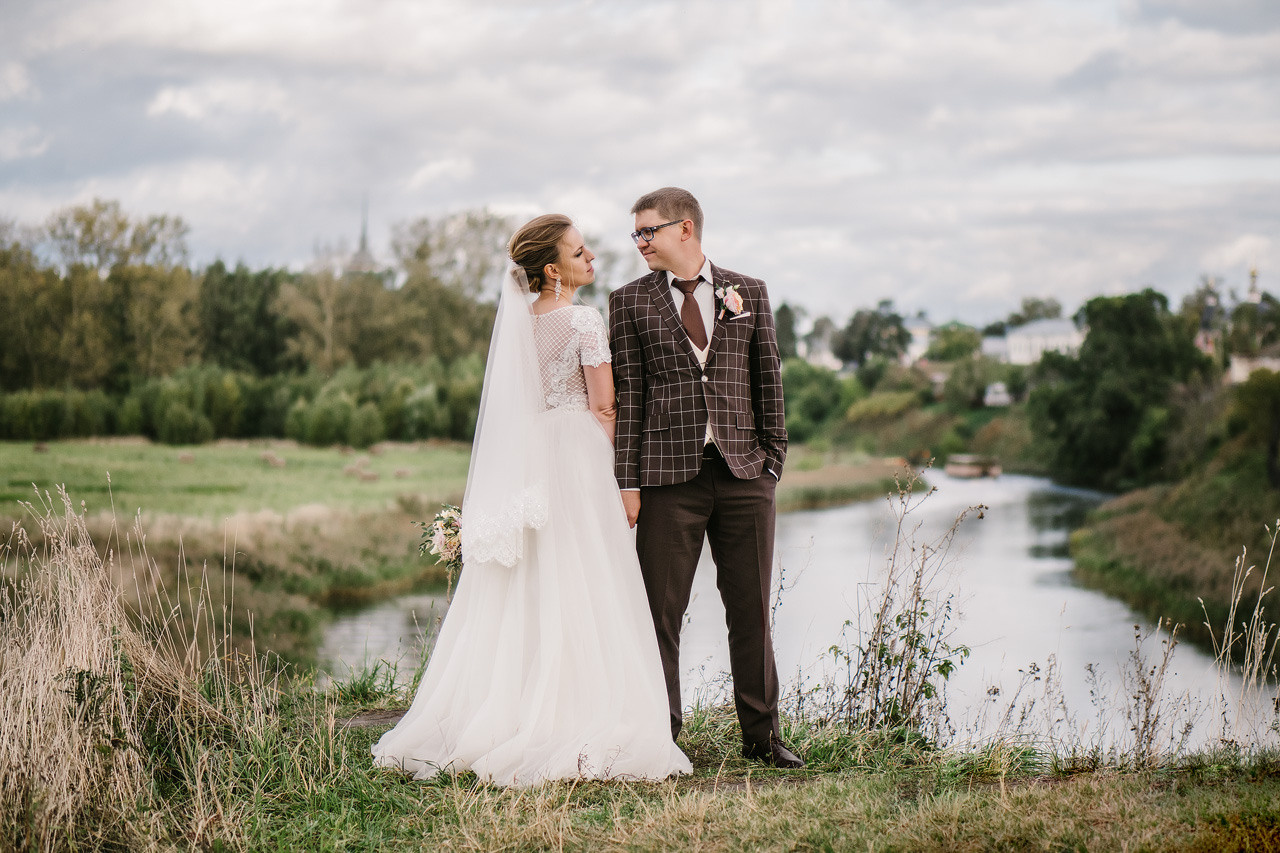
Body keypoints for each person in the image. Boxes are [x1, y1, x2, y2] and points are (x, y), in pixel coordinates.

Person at [372, 214, 691, 786]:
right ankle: (578, 711)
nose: (593, 256)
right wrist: (623, 474)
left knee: (531, 585)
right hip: (578, 454)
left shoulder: (518, 323)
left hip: (530, 458)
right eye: (581, 250)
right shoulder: (583, 321)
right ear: (553, 269)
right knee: (586, 579)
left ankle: (509, 708)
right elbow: (604, 407)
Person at [608, 187, 804, 768]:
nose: (640, 242)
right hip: (670, 481)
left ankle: (763, 738)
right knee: (659, 615)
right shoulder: (628, 302)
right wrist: (629, 482)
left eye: (649, 231)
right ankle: (662, 735)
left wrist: (772, 462)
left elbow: (769, 379)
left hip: (746, 475)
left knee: (750, 609)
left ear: (685, 229)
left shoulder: (751, 293)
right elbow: (631, 398)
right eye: (635, 234)